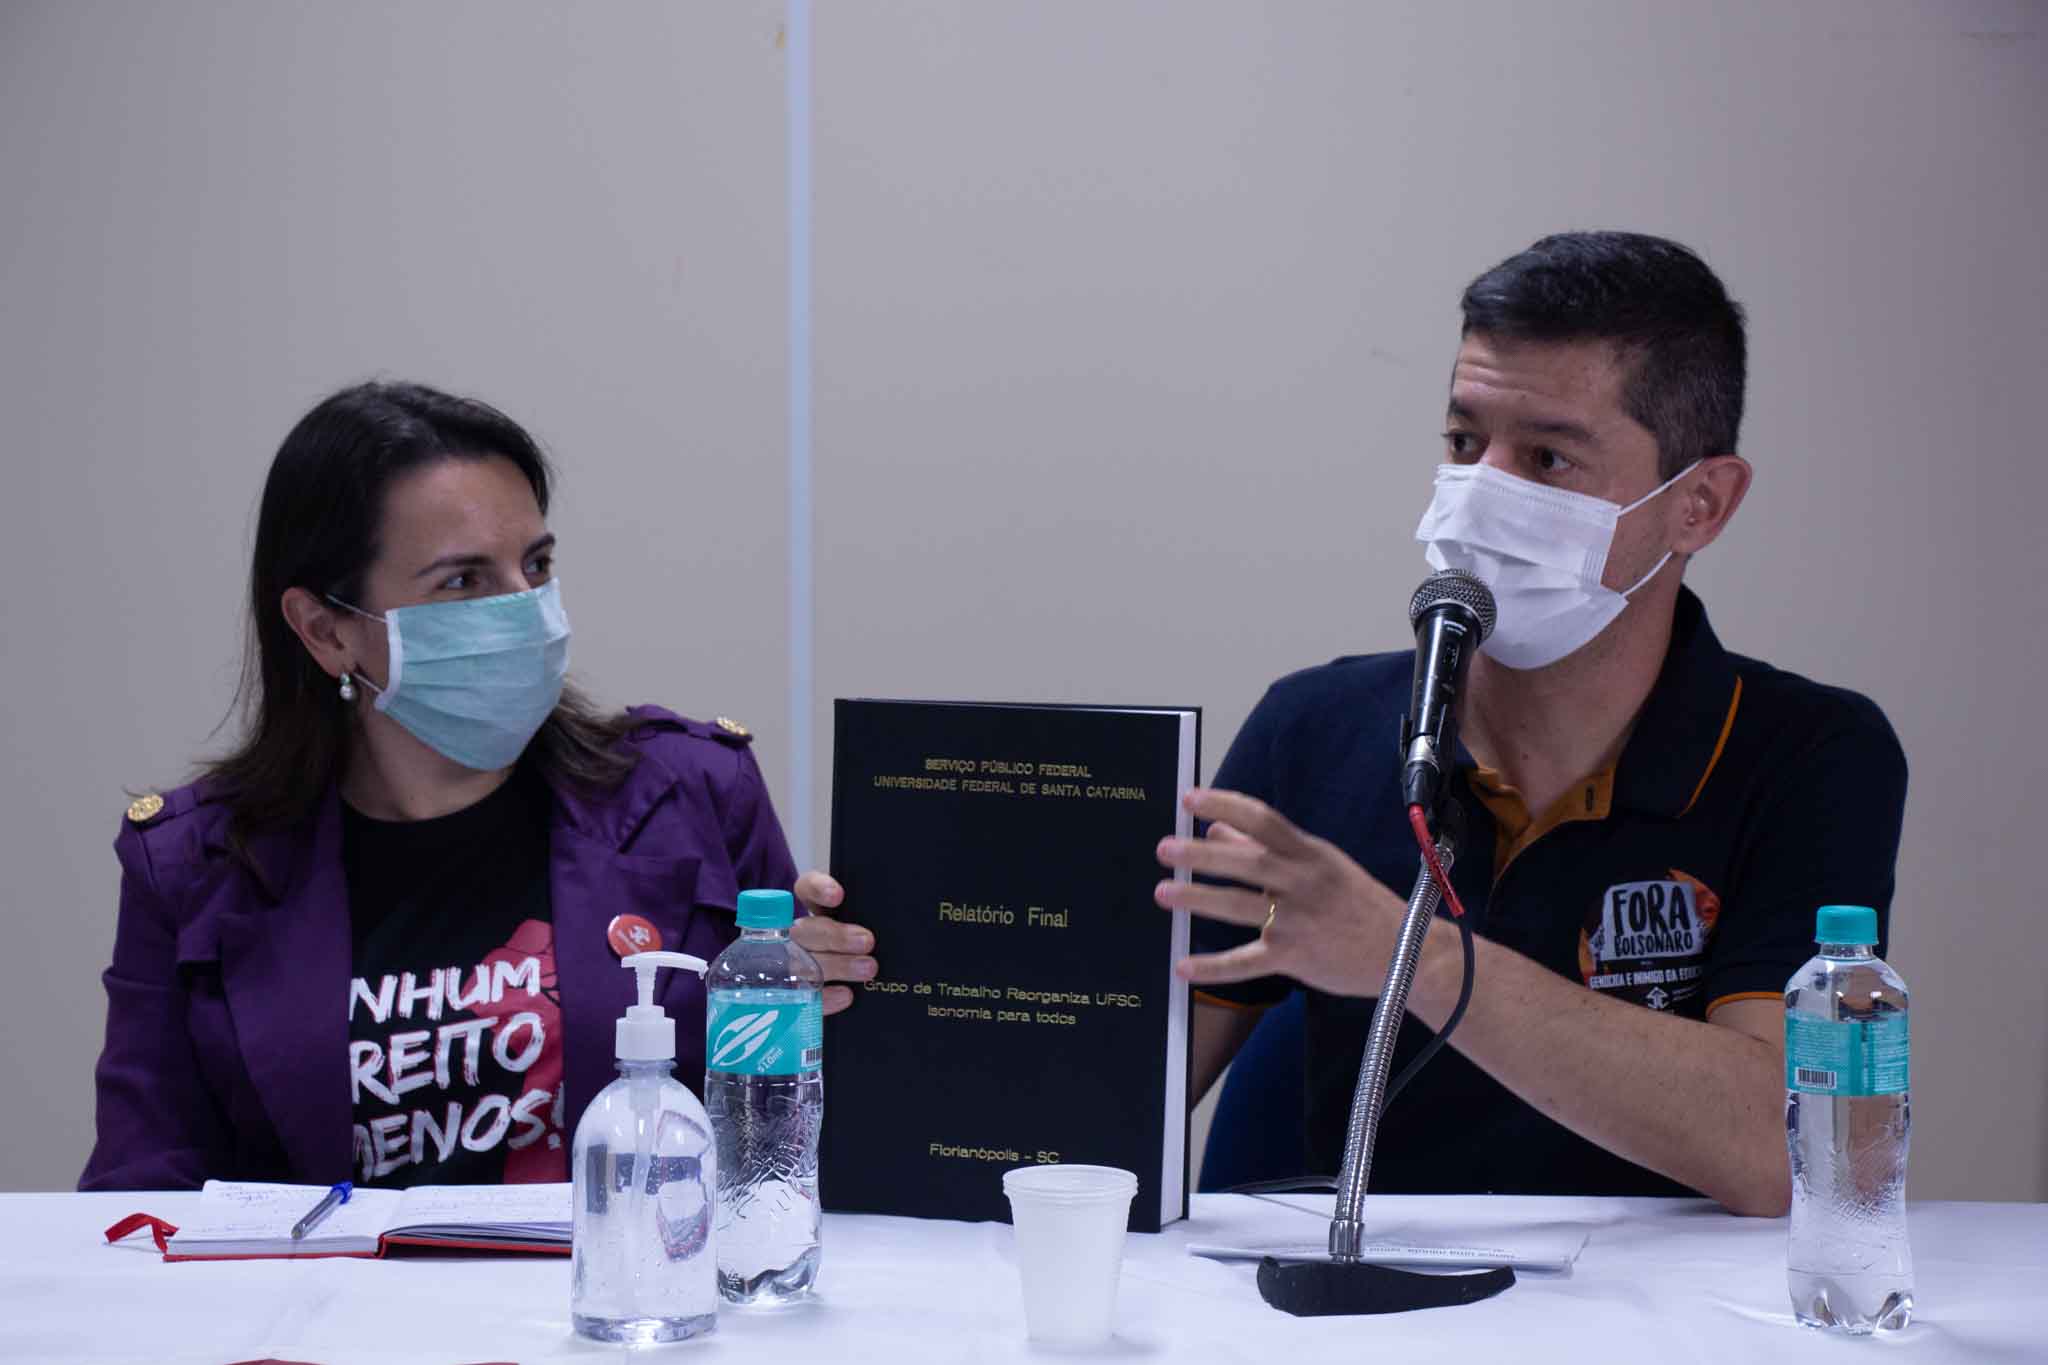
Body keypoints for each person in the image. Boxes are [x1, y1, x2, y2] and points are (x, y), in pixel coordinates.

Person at [1155, 232, 1906, 1216]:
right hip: (1359, 1292)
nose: (1482, 495)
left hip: (1671, 1300)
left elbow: (1787, 1150)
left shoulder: (1808, 754)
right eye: (1465, 445)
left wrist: (1413, 956)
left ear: (1699, 504)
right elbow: (1114, 1096)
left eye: (1547, 457)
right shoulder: (1313, 727)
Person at [81, 381, 872, 1191]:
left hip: (626, 1271)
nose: (528, 612)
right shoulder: (194, 865)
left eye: (536, 565)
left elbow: (806, 1142)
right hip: (327, 1278)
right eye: (463, 581)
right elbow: (140, 1187)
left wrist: (839, 984)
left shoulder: (692, 793)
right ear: (325, 630)